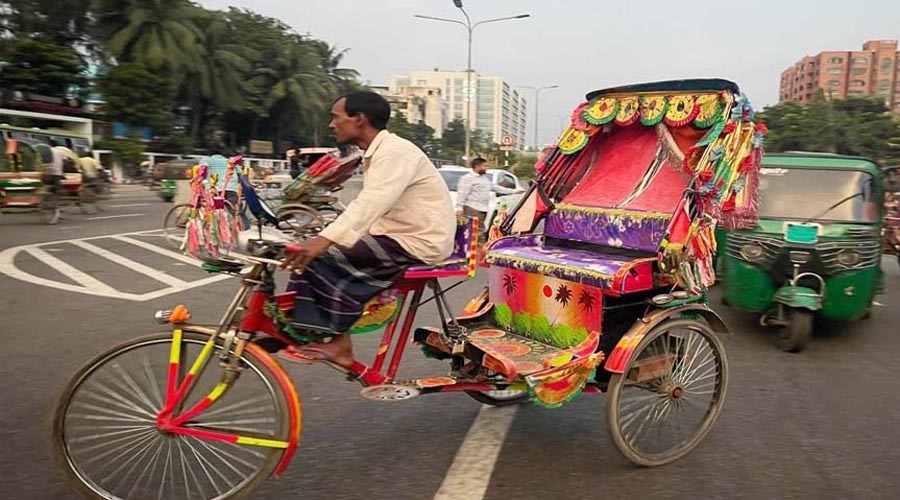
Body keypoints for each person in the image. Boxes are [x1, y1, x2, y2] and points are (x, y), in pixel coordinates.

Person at [278, 91, 456, 368]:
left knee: (321, 258)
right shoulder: (379, 152)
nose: (331, 124)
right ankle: (311, 332)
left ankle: (337, 343)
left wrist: (323, 240)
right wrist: (325, 237)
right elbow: (368, 206)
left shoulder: (394, 152)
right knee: (315, 254)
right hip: (400, 234)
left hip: (416, 241)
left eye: (336, 117)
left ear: (359, 119)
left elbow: (371, 203)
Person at [455, 157, 519, 232]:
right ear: (477, 166)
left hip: (482, 209)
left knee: (478, 229)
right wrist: (459, 208)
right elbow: (462, 194)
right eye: (484, 166)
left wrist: (514, 191)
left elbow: (495, 188)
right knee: (474, 230)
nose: (486, 168)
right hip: (472, 208)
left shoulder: (484, 179)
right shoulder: (467, 178)